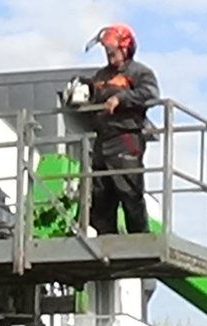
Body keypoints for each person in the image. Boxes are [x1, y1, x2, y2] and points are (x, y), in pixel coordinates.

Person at [83, 24, 160, 235]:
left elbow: (150, 94)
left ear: (125, 48)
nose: (109, 54)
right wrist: (79, 92)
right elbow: (90, 97)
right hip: (103, 139)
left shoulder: (140, 73)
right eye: (106, 51)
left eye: (112, 50)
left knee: (129, 190)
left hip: (126, 137)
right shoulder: (100, 76)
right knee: (100, 194)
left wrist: (121, 98)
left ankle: (138, 238)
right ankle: (105, 239)